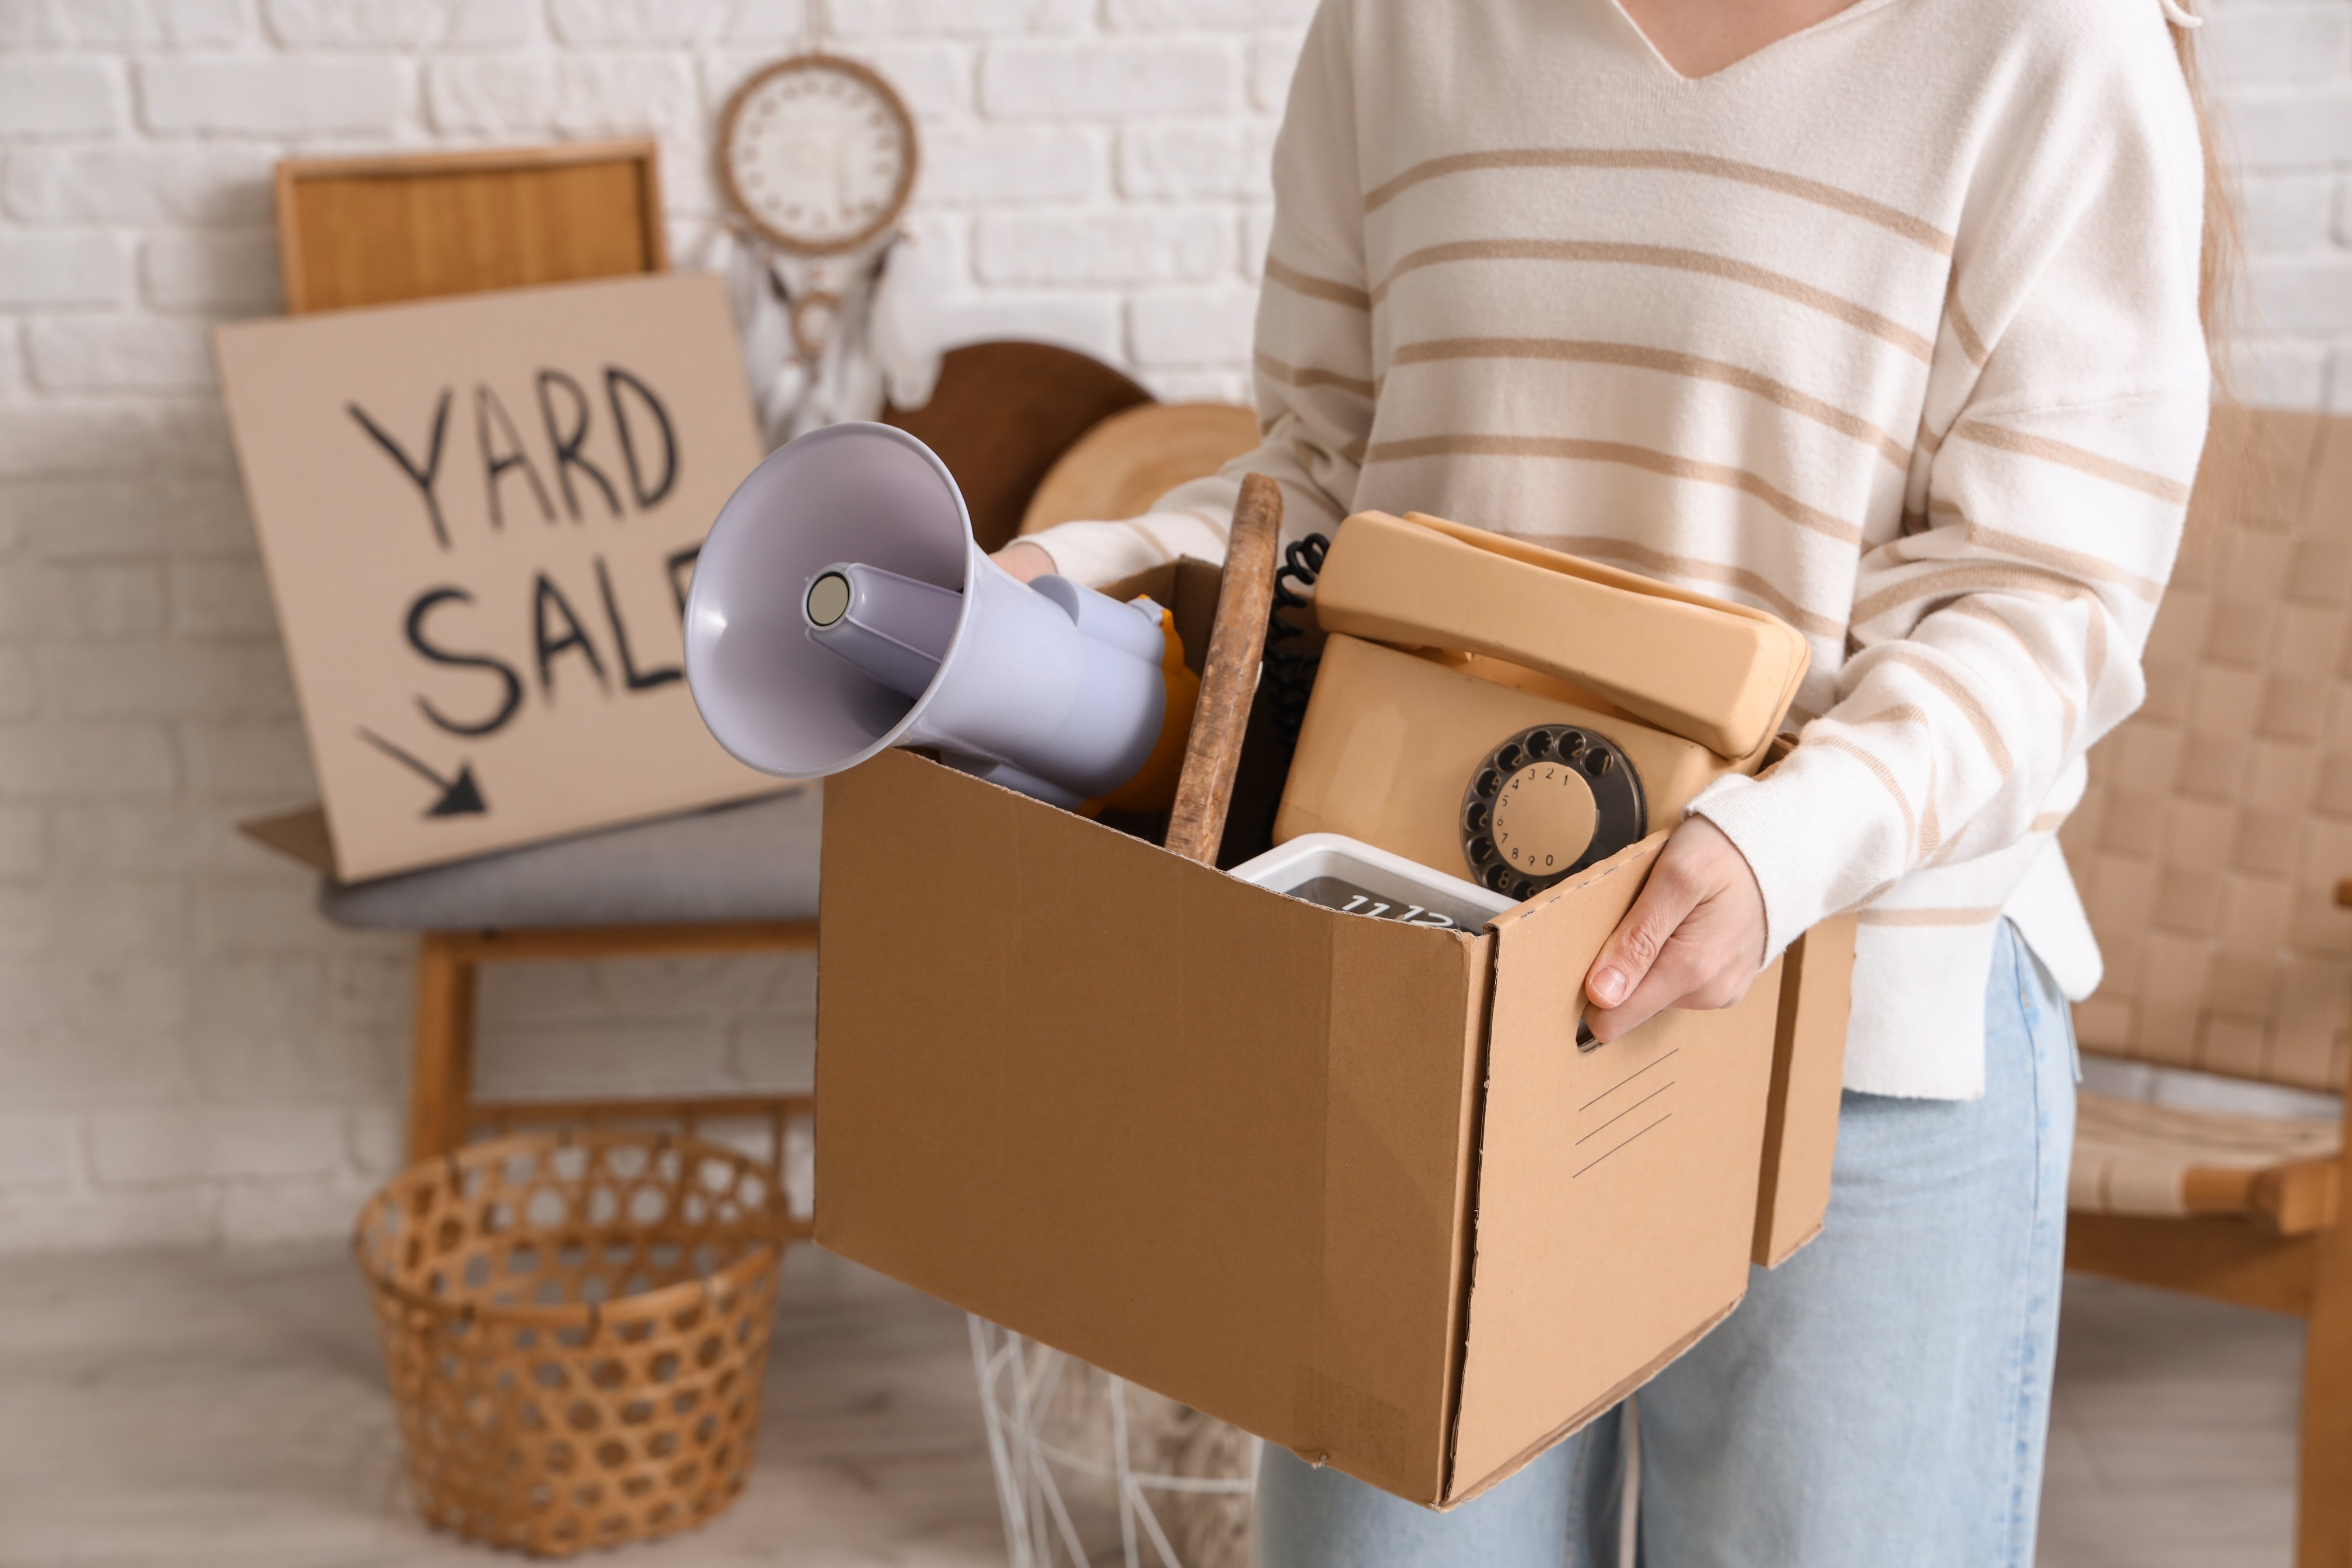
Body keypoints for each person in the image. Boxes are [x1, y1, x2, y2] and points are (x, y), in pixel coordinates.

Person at [996, 0, 2224, 1562]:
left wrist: (1789, 844)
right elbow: (1322, 468)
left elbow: (2050, 590)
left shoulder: (2049, 46)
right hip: (1420, 1007)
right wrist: (1082, 587)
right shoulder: (1398, 23)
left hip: (1854, 1022)